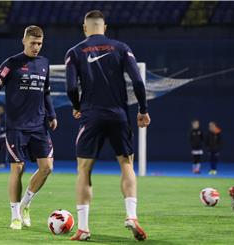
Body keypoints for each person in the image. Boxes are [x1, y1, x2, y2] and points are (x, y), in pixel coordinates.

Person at [65, 10, 150, 241]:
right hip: (119, 115)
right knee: (126, 164)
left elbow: (71, 87)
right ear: (105, 27)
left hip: (91, 116)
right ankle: (131, 216)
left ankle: (83, 228)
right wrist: (142, 110)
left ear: (85, 28)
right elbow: (138, 82)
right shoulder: (121, 48)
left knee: (84, 170)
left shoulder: (74, 52)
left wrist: (76, 105)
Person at [0, 25, 57, 230]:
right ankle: (15, 215)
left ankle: (26, 204)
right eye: (33, 43)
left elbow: (46, 92)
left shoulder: (45, 63)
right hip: (16, 127)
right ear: (24, 41)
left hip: (39, 125)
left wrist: (51, 114)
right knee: (18, 168)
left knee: (47, 168)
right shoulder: (11, 64)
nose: (36, 47)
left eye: (40, 43)